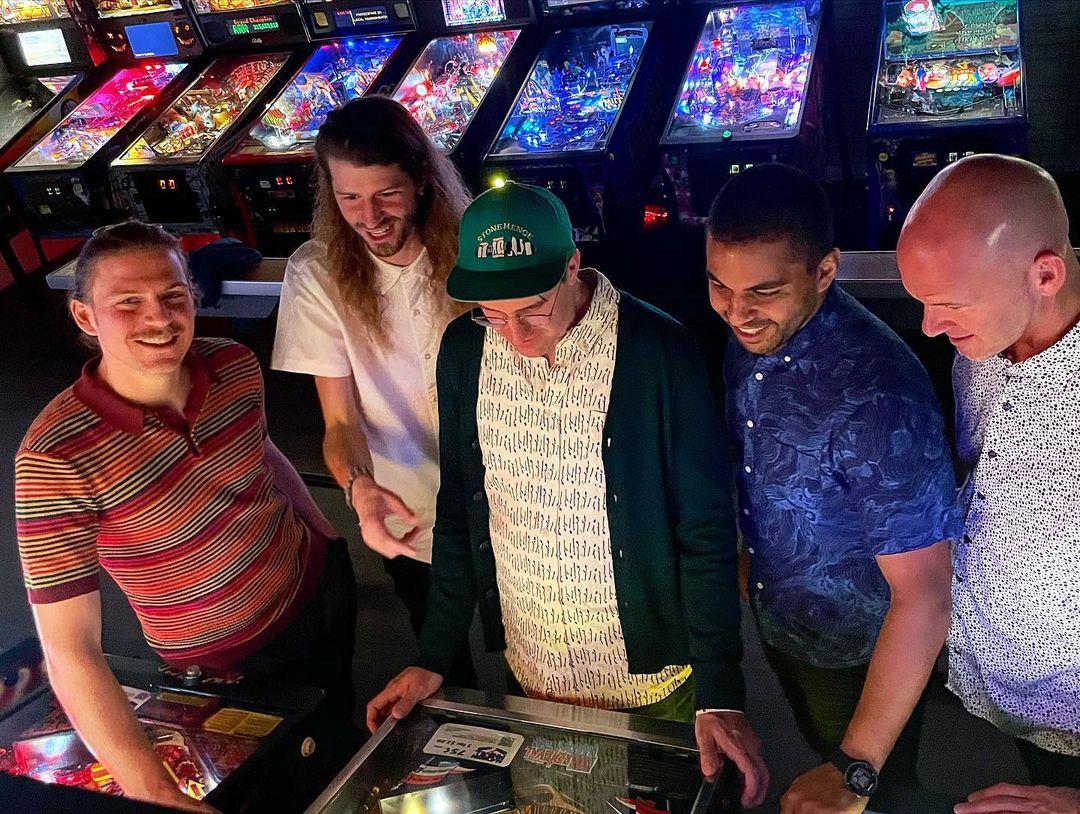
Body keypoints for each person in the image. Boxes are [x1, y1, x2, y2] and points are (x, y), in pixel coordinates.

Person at [367, 181, 770, 809]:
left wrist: (721, 689)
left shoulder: (657, 350)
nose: (515, 335)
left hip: (648, 677)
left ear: (573, 266)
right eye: (493, 315)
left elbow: (706, 530)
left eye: (532, 310)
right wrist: (433, 655)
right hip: (531, 670)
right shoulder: (465, 350)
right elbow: (463, 514)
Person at [14, 221, 356, 812]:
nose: (159, 317)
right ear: (86, 318)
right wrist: (152, 789)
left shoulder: (233, 363)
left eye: (173, 295)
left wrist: (326, 534)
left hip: (316, 589)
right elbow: (70, 649)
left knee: (341, 741)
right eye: (128, 302)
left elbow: (259, 448)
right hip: (226, 664)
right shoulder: (54, 457)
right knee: (274, 791)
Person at [705, 164, 960, 813]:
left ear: (825, 271)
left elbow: (927, 596)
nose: (737, 312)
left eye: (762, 290)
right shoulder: (756, 334)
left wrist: (857, 767)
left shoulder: (880, 397)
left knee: (868, 798)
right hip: (779, 617)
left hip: (860, 651)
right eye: (718, 285)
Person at [272, 96, 476, 688]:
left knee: (532, 651)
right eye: (349, 197)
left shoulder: (473, 246)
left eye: (386, 193)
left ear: (420, 180)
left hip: (507, 494)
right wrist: (360, 490)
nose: (370, 216)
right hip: (402, 501)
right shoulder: (317, 272)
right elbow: (339, 423)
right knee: (441, 661)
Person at [897, 154, 1080, 814]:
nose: (927, 327)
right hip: (998, 668)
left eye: (947, 305)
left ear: (1045, 274)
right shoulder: (987, 332)